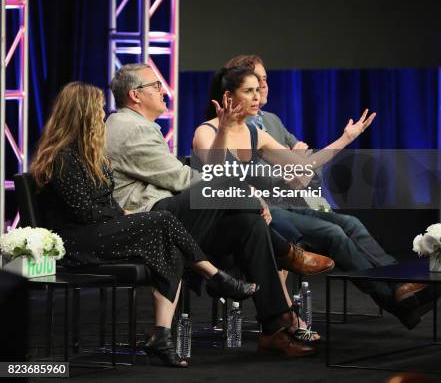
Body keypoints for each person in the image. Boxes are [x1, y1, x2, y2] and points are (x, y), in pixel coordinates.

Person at [105, 63, 334, 357]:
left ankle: (275, 328)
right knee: (229, 188)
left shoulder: (138, 125)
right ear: (135, 95)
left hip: (168, 215)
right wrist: (247, 194)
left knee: (248, 226)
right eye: (156, 86)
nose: (164, 91)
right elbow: (182, 179)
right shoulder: (131, 128)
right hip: (149, 219)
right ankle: (288, 254)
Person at [31, 82, 257, 368]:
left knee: (167, 243)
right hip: (76, 241)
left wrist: (126, 217)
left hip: (100, 231)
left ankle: (160, 336)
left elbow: (106, 204)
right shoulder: (63, 158)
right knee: (161, 219)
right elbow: (84, 213)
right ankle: (214, 275)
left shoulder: (92, 156)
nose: (103, 116)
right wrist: (127, 220)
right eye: (98, 110)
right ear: (83, 115)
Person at [222, 55, 431, 329]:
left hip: (292, 201)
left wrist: (342, 141)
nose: (262, 88)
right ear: (234, 89)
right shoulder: (223, 129)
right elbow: (229, 178)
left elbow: (304, 164)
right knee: (334, 233)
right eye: (252, 84)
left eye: (264, 81)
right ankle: (394, 296)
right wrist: (284, 175)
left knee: (351, 223)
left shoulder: (268, 123)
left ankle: (399, 284)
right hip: (263, 211)